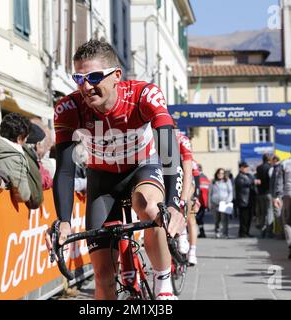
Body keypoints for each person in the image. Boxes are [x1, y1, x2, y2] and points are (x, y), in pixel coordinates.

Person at [45, 39, 185, 300]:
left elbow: (168, 148)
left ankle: (163, 284)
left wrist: (174, 206)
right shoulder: (68, 108)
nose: (86, 86)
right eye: (79, 78)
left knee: (151, 208)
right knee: (103, 278)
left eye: (94, 76)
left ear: (116, 76)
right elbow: (64, 170)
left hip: (142, 168)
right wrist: (63, 221)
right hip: (102, 180)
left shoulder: (144, 95)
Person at [0, 112, 32, 203]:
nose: (26, 141)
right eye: (26, 138)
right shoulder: (16, 158)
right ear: (19, 138)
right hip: (2, 209)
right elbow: (24, 195)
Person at [175, 129, 198, 266]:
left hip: (186, 179)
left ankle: (192, 252)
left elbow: (193, 175)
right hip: (167, 178)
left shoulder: (182, 139)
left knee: (190, 215)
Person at [26, 123, 53, 190]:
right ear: (38, 145)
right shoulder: (28, 159)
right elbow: (40, 181)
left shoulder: (35, 160)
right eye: (44, 145)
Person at [209, 168, 233, 239]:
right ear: (216, 174)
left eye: (222, 173)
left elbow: (230, 191)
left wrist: (229, 200)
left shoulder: (227, 181)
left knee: (224, 219)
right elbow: (210, 193)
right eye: (219, 173)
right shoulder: (213, 181)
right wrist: (209, 203)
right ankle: (217, 232)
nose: (220, 175)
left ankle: (225, 234)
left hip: (224, 203)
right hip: (215, 203)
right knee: (217, 219)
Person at [235, 162, 256, 238]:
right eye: (245, 167)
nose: (247, 169)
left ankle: (246, 232)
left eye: (247, 167)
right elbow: (242, 184)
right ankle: (243, 233)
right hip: (243, 201)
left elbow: (252, 179)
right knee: (244, 218)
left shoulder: (248, 175)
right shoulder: (239, 177)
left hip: (249, 200)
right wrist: (253, 182)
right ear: (241, 168)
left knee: (248, 218)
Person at [255, 153, 273, 238]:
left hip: (260, 192)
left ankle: (262, 232)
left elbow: (258, 180)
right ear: (269, 159)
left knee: (262, 213)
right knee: (269, 212)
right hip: (268, 192)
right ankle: (269, 232)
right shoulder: (270, 168)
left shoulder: (258, 168)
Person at [196, 164, 210, 238]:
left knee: (198, 218)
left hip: (198, 201)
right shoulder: (205, 178)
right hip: (204, 202)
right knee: (200, 218)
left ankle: (202, 232)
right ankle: (202, 232)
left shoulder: (197, 177)